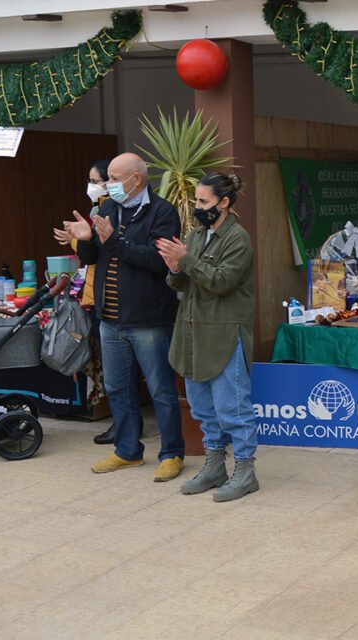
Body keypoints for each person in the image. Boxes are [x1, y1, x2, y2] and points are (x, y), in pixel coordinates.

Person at [61, 152, 185, 482]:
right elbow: (92, 259)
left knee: (160, 389)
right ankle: (127, 451)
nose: (108, 185)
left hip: (149, 320)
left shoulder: (162, 212)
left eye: (114, 179)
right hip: (110, 318)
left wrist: (113, 239)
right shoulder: (107, 208)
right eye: (108, 179)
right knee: (117, 388)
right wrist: (84, 240)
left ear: (136, 180)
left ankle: (172, 453)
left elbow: (157, 261)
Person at [158, 173, 260, 502]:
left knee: (233, 407)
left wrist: (185, 260)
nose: (198, 207)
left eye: (203, 202)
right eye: (196, 201)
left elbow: (221, 281)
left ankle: (245, 471)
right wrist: (174, 267)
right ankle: (214, 465)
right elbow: (181, 284)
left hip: (224, 334)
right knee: (203, 408)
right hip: (192, 334)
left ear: (224, 202)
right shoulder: (196, 234)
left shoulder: (237, 239)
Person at [57, 159, 118, 446]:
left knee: (118, 368)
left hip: (108, 295)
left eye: (97, 181)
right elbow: (89, 252)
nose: (92, 186)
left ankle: (124, 424)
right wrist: (74, 238)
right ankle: (122, 423)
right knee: (110, 365)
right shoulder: (96, 209)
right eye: (90, 180)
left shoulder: (111, 210)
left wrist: (83, 237)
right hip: (94, 294)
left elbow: (102, 251)